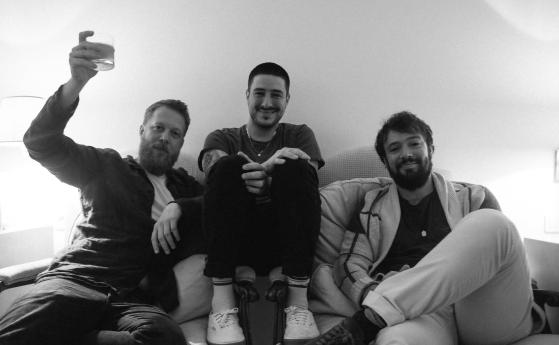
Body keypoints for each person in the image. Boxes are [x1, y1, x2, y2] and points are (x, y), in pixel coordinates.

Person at [0, 31, 204, 345]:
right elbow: (40, 144)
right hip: (78, 279)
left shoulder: (185, 187)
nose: (165, 137)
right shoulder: (106, 165)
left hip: (132, 296)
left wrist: (181, 206)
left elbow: (218, 205)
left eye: (175, 133)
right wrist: (76, 83)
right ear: (142, 130)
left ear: (181, 142)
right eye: (158, 127)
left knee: (165, 337)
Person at [307, 111, 545, 345]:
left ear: (430, 149)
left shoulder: (475, 197)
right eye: (395, 148)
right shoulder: (370, 207)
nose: (406, 154)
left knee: (495, 223)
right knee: (396, 341)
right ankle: (381, 312)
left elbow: (500, 256)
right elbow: (349, 264)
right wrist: (374, 294)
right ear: (385, 161)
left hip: (480, 305)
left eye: (414, 144)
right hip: (421, 316)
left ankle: (369, 320)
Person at [198, 62, 324, 345]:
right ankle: (221, 304)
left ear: (287, 100)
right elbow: (213, 176)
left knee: (295, 165)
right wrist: (265, 167)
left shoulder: (300, 134)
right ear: (247, 95)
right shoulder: (223, 137)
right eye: (259, 93)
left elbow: (308, 183)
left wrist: (271, 178)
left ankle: (298, 303)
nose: (267, 103)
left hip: (286, 242)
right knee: (228, 166)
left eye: (276, 95)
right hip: (236, 243)